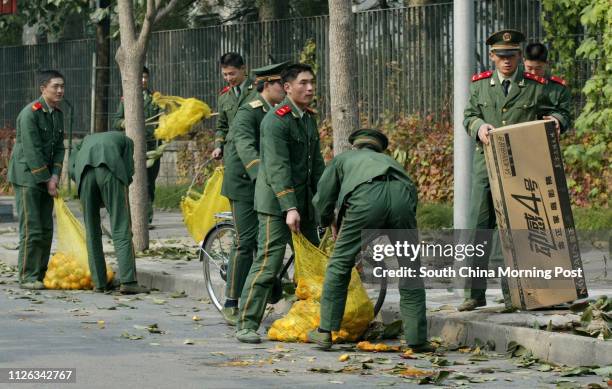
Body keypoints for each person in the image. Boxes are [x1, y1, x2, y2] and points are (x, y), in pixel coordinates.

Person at [460, 29, 569, 311]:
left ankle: (514, 294)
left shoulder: (535, 86)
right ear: (492, 56)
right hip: (486, 166)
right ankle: (474, 294)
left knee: (517, 229)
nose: (506, 61)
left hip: (520, 166)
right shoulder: (480, 86)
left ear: (520, 56)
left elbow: (560, 109)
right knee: (478, 229)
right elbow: (469, 116)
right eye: (501, 56)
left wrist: (557, 120)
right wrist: (478, 127)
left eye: (511, 55)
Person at [307, 129, 432, 352]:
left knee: (340, 263)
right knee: (410, 268)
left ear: (355, 146)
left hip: (366, 199)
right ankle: (417, 338)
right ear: (379, 148)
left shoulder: (343, 159)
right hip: (402, 197)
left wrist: (328, 221)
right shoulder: (389, 161)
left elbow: (323, 199)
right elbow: (411, 197)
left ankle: (324, 331)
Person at [235, 63, 325, 343]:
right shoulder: (275, 120)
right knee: (267, 263)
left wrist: (326, 202)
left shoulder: (308, 118)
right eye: (303, 83)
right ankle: (247, 323)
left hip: (303, 204)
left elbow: (317, 165)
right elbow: (276, 167)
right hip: (276, 206)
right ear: (287, 88)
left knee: (312, 266)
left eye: (311, 82)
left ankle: (316, 322)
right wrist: (289, 207)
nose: (309, 88)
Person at [219, 62, 289, 326]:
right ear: (267, 85)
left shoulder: (281, 112)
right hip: (244, 185)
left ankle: (269, 288)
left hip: (270, 185)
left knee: (269, 240)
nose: (286, 89)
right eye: (281, 84)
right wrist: (262, 175)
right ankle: (231, 301)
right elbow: (245, 146)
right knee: (245, 241)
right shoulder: (249, 112)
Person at [69, 131, 149, 295]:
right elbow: (128, 169)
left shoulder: (84, 140)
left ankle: (99, 282)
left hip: (84, 175)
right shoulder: (127, 141)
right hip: (110, 171)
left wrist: (86, 188)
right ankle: (128, 281)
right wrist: (118, 192)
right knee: (121, 227)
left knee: (91, 231)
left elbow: (71, 168)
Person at [8, 70, 66, 290]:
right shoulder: (30, 113)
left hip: (46, 178)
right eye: (55, 86)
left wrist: (55, 176)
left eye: (62, 86)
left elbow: (59, 148)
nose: (60, 90)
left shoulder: (57, 114)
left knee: (45, 229)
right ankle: (27, 276)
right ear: (43, 89)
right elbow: (32, 151)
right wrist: (46, 179)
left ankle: (40, 273)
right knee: (32, 228)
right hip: (27, 177)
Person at [112, 66, 161, 226]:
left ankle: (146, 217)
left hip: (153, 148)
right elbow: (116, 121)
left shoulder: (156, 99)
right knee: (136, 182)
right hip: (133, 148)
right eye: (141, 77)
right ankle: (138, 218)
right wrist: (127, 122)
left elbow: (163, 121)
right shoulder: (127, 98)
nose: (144, 80)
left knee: (150, 184)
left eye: (146, 77)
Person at [211, 52, 257, 160]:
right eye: (225, 74)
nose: (228, 78)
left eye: (232, 74)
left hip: (253, 152)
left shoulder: (258, 91)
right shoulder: (224, 97)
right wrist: (218, 147)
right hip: (231, 155)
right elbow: (221, 127)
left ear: (243, 69)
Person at [523, 42, 573, 134]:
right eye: (529, 68)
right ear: (523, 61)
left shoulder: (559, 88)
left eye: (538, 68)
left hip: (545, 135)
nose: (533, 73)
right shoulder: (515, 82)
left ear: (547, 64)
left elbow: (565, 114)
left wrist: (557, 119)